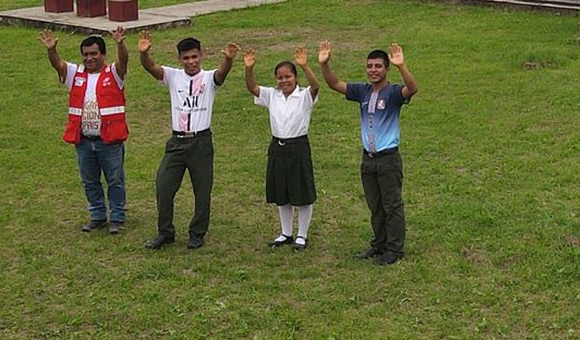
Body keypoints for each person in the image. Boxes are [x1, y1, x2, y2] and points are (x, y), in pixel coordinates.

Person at [318, 41, 418, 265]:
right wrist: (324, 65)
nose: (373, 70)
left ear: (386, 69)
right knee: (375, 206)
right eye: (370, 66)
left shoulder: (392, 93)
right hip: (368, 159)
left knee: (392, 205)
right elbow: (334, 84)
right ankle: (379, 244)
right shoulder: (361, 91)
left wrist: (402, 66)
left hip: (388, 159)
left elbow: (412, 89)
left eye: (378, 66)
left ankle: (394, 249)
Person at [139, 34, 235, 250]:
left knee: (202, 191)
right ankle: (165, 232)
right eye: (186, 58)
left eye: (194, 57)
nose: (191, 62)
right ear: (179, 59)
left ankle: (197, 233)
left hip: (200, 141)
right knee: (164, 187)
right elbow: (151, 67)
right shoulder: (173, 76)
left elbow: (222, 73)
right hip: (177, 142)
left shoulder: (209, 78)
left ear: (201, 56)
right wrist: (144, 53)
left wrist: (228, 59)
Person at [40, 26, 131, 234]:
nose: (89, 58)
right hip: (83, 140)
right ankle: (97, 215)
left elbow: (123, 61)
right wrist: (51, 50)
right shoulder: (76, 74)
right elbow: (58, 65)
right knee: (89, 181)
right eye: (86, 55)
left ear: (103, 55)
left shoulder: (113, 73)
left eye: (94, 54)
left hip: (109, 140)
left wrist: (120, 44)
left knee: (115, 179)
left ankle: (117, 217)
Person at [244, 45, 320, 250]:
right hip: (277, 147)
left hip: (298, 147)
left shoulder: (304, 96)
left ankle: (302, 235)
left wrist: (304, 66)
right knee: (282, 192)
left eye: (288, 76)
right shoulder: (272, 95)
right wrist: (249, 69)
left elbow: (315, 86)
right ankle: (286, 233)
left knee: (302, 193)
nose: (284, 81)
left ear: (295, 78)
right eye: (280, 77)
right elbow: (252, 87)